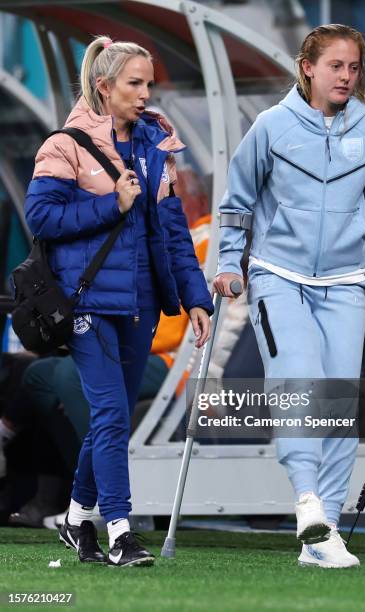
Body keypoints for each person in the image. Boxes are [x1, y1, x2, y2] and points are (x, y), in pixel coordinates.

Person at [24, 36, 213, 567]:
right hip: (86, 304)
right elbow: (41, 219)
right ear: (104, 88)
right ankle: (121, 532)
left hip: (142, 305)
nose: (145, 93)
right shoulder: (63, 145)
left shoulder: (157, 143)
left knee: (114, 420)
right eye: (135, 83)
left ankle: (76, 518)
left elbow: (173, 230)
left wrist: (195, 297)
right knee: (109, 414)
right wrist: (112, 204)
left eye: (148, 83)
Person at [214, 24, 365, 568]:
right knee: (299, 381)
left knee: (339, 402)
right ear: (308, 67)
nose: (346, 76)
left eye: (354, 67)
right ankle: (307, 502)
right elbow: (237, 202)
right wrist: (229, 263)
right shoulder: (271, 126)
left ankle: (327, 533)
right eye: (336, 66)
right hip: (278, 274)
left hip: (343, 283)